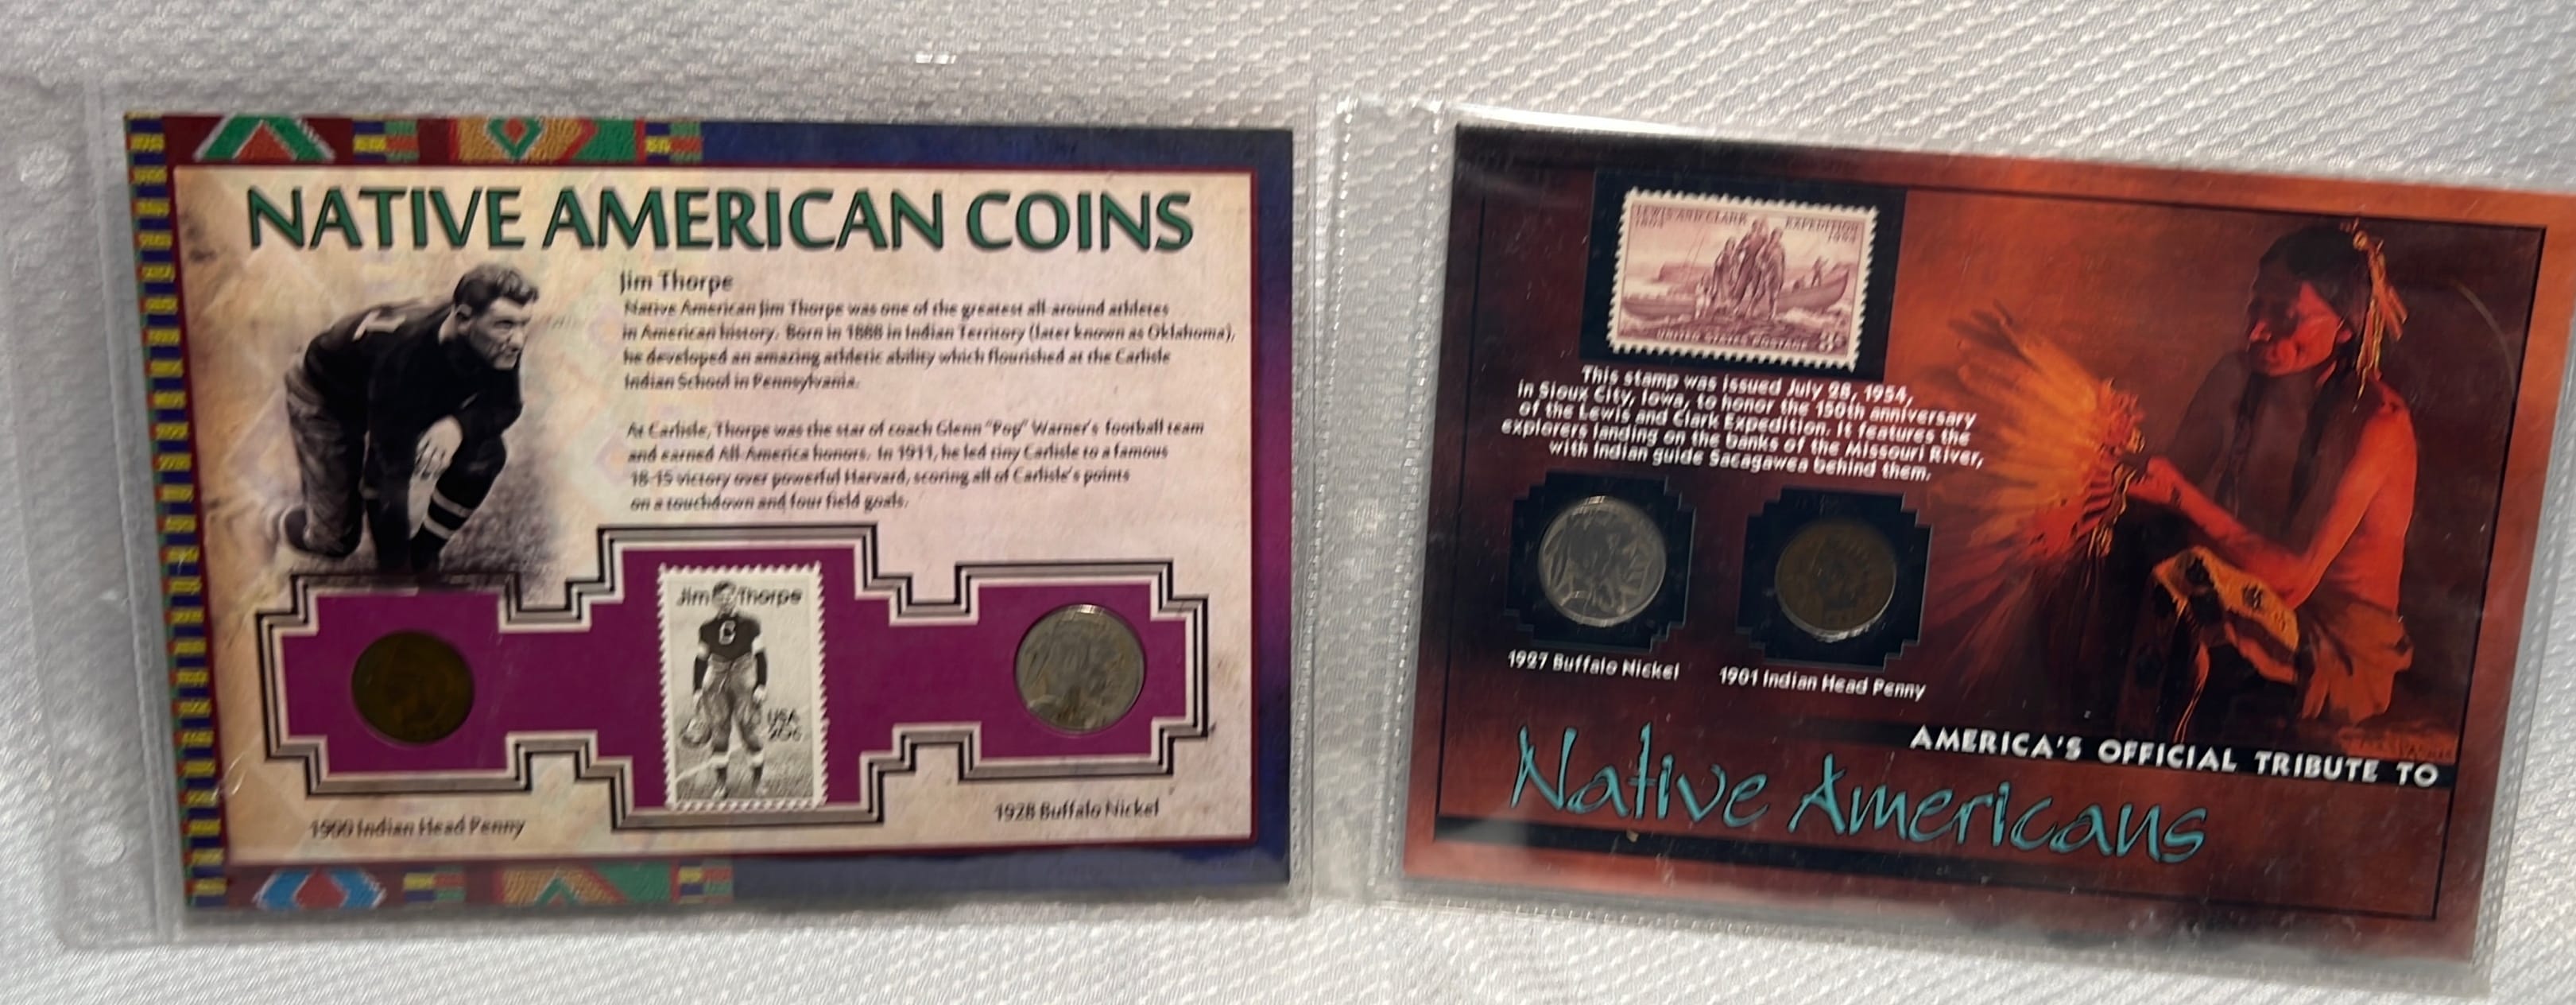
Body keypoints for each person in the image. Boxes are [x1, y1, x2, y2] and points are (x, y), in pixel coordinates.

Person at [2125, 221, 2417, 739]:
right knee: (2126, 546)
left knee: (2183, 582)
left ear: (2345, 328)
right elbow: (2166, 481)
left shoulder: (2375, 423)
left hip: (2331, 643)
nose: (2257, 331)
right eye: (2255, 306)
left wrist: (2178, 495)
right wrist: (2114, 450)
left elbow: (2295, 581)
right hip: (2247, 586)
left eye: (2285, 316)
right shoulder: (2236, 377)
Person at [275, 263, 537, 572]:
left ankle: (425, 552)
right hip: (327, 394)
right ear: (464, 319)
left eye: (523, 324)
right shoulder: (404, 357)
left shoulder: (489, 336)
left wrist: (456, 426)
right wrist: (396, 575)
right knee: (334, 540)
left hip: (393, 385)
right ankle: (275, 523)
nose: (518, 340)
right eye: (505, 325)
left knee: (487, 452)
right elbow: (385, 481)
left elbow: (505, 404)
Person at [686, 582, 768, 798]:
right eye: (721, 598)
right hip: (717, 680)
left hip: (744, 678)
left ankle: (758, 782)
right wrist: (697, 689)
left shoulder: (751, 624)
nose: (726, 601)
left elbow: (760, 656)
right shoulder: (707, 628)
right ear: (715, 601)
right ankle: (721, 785)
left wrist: (761, 685)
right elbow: (701, 659)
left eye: (730, 597)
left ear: (736, 597)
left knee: (749, 733)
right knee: (719, 735)